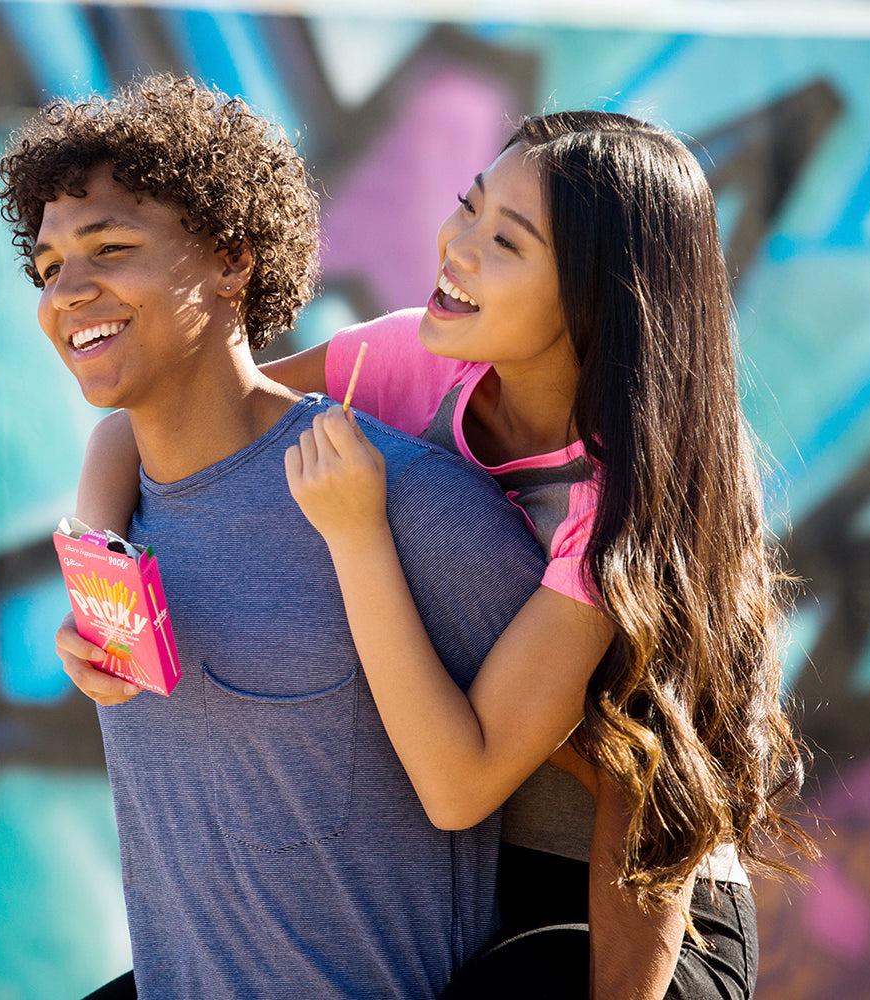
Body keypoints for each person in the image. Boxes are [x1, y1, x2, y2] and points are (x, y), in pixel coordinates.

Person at [74, 110, 816, 999]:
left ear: (598, 293)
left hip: (636, 892)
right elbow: (151, 428)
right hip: (465, 872)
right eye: (468, 207)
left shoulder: (625, 504)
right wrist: (104, 591)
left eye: (505, 241)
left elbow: (624, 795)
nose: (455, 247)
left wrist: (359, 534)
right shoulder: (408, 362)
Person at [0, 74, 553, 1000]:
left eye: (111, 248)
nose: (70, 292)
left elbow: (617, 762)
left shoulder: (411, 506)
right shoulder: (113, 528)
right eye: (50, 267)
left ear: (231, 260)